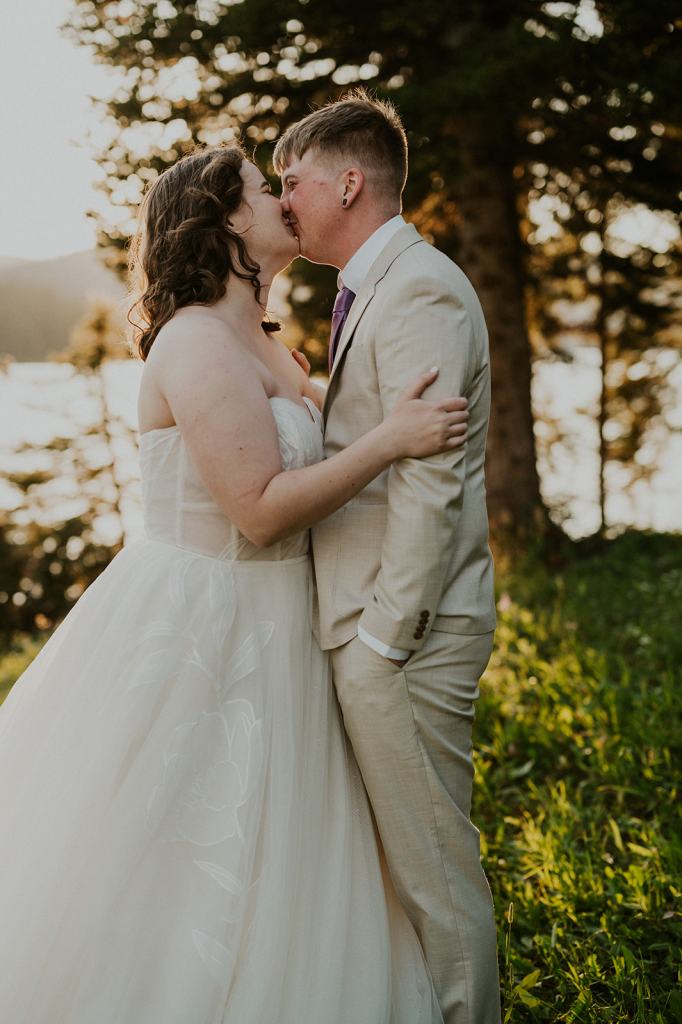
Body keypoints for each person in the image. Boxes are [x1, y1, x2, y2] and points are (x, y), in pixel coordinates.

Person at [0, 143, 470, 1023]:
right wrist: (390, 441)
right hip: (206, 622)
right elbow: (257, 510)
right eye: (266, 187)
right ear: (222, 220)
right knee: (176, 858)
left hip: (285, 618)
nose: (287, 198)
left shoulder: (262, 342)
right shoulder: (195, 342)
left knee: (288, 856)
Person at [274, 90, 501, 1024]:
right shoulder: (373, 288)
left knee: (437, 873)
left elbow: (430, 483)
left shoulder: (420, 286)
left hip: (402, 635)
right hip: (378, 628)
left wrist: (383, 641)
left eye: (293, 181)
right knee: (408, 865)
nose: (285, 201)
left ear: (349, 180)